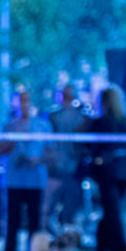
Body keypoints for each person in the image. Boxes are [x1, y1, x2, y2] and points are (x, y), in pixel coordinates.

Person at [0, 90, 50, 251]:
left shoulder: (43, 126)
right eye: (21, 101)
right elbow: (0, 151)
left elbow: (52, 152)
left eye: (27, 101)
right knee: (13, 220)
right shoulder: (10, 126)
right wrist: (13, 138)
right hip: (14, 180)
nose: (24, 105)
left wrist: (39, 159)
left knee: (35, 221)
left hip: (36, 180)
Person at [88, 87, 126, 251]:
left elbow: (93, 148)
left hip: (108, 173)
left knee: (112, 213)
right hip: (123, 173)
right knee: (111, 212)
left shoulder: (102, 123)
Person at [45, 84, 88, 229]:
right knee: (63, 204)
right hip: (64, 168)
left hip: (67, 168)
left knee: (59, 203)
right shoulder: (79, 118)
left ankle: (61, 233)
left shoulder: (56, 117)